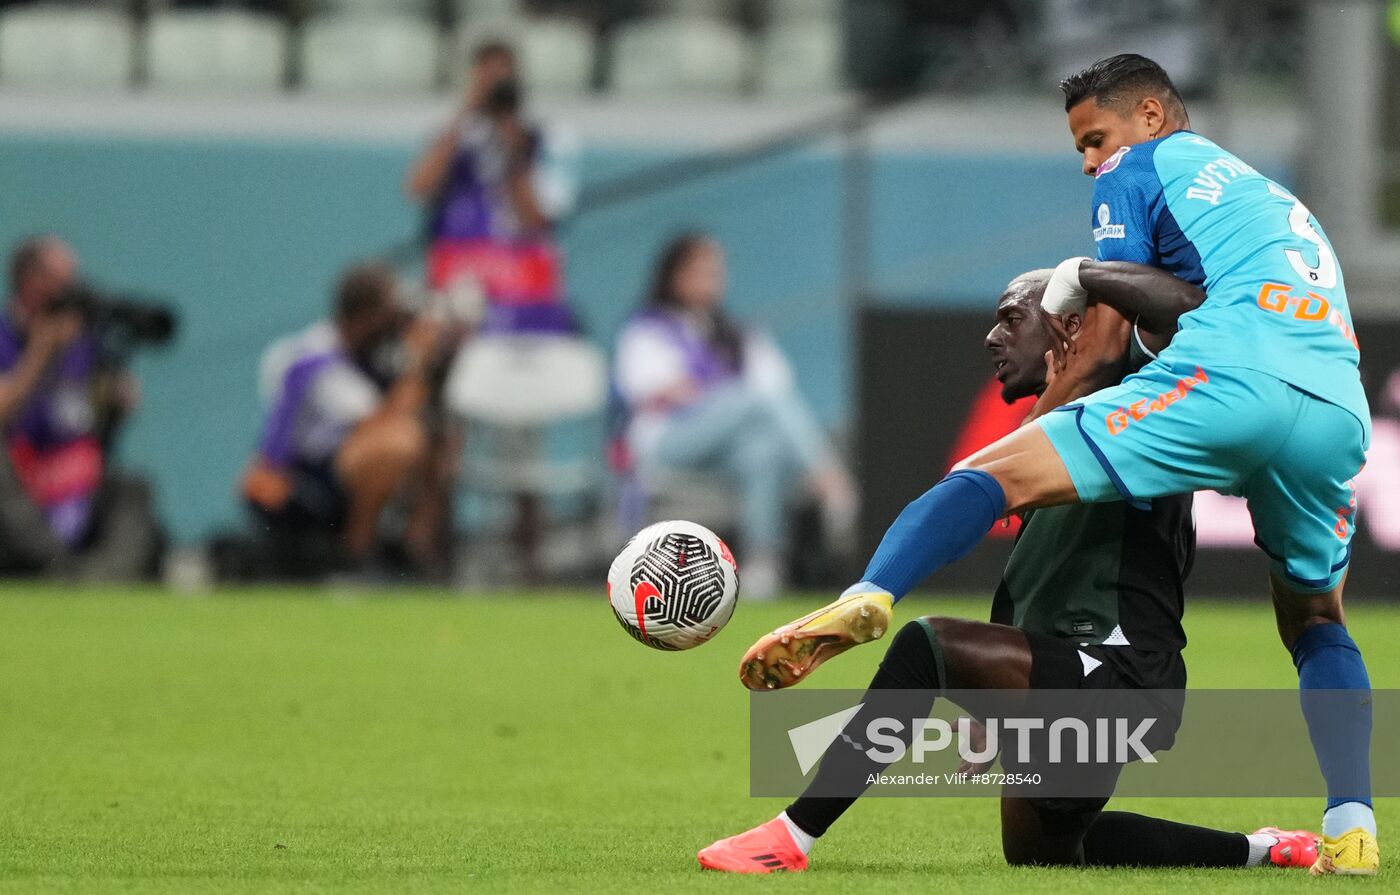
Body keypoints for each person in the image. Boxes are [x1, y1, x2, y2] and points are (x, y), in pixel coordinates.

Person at [738, 55, 1376, 875]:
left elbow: (1111, 328)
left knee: (988, 477)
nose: (1089, 162)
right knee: (1317, 620)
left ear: (1151, 114)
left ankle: (868, 595)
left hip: (1232, 385)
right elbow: (1182, 306)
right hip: (1333, 398)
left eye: (1094, 139)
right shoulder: (1269, 204)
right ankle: (1350, 823)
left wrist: (1075, 276)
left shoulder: (1138, 166)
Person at [700, 270, 1320, 873]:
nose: (992, 337)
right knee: (1045, 851)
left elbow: (1185, 307)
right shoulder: (1053, 433)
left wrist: (1089, 275)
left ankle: (790, 837)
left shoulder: (1138, 402)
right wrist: (994, 701)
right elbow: (1044, 577)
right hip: (1083, 671)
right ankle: (1264, 850)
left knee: (928, 646)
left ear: (1069, 326)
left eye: (1012, 318)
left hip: (1121, 675)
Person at [613, 233, 856, 599]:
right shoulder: (648, 328)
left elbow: (778, 386)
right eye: (701, 271)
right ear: (674, 275)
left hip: (725, 449)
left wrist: (712, 396)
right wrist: (719, 396)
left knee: (762, 452)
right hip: (669, 441)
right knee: (753, 400)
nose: (711, 279)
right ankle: (830, 481)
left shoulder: (735, 332)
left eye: (716, 271)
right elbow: (650, 389)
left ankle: (762, 562)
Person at [242, 262, 452, 577]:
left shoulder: (370, 349)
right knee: (397, 444)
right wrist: (416, 362)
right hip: (308, 476)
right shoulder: (319, 357)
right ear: (366, 316)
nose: (394, 322)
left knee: (442, 442)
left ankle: (417, 551)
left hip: (340, 462)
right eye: (387, 313)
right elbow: (378, 420)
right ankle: (357, 552)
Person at [0, 235, 163, 580]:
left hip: (73, 478)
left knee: (134, 490)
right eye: (63, 280)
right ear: (32, 283)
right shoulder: (6, 334)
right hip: (19, 476)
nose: (73, 288)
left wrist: (116, 400)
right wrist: (41, 352)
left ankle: (97, 578)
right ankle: (56, 568)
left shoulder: (84, 342)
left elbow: (87, 416)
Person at [405, 40, 574, 336]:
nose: (494, 84)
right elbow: (418, 187)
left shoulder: (540, 137)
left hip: (518, 281)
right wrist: (464, 113)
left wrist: (511, 143)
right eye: (486, 75)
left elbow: (538, 220)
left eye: (502, 76)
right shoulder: (453, 135)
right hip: (456, 274)